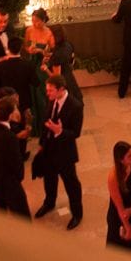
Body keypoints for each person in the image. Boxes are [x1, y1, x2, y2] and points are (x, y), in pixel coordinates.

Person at [34, 75, 84, 229]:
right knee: (49, 179)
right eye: (47, 90)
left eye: (50, 90)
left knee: (71, 184)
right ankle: (49, 203)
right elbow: (45, 123)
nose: (47, 93)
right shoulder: (52, 101)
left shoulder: (75, 106)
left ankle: (77, 213)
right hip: (49, 149)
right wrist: (42, 143)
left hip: (65, 153)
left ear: (61, 89)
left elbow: (76, 133)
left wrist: (60, 132)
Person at [0, 96, 30, 217]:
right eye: (15, 109)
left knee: (0, 213)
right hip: (9, 186)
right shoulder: (10, 138)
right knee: (23, 218)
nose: (17, 111)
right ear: (10, 115)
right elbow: (18, 167)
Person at [106, 141, 131, 253]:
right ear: (121, 160)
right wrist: (127, 227)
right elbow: (119, 207)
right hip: (118, 217)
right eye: (129, 155)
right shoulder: (113, 177)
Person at [23, 8, 54, 134]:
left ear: (43, 20)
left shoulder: (49, 33)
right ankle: (33, 125)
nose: (34, 24)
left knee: (40, 93)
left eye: (37, 21)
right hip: (30, 63)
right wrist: (28, 49)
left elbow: (52, 54)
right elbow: (24, 46)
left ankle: (44, 124)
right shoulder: (29, 30)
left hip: (41, 65)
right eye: (32, 21)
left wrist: (41, 51)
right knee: (31, 92)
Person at [46, 23, 83, 107]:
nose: (48, 38)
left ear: (56, 36)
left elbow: (56, 78)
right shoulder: (67, 45)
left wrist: (45, 69)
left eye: (51, 35)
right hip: (70, 79)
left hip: (63, 85)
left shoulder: (57, 55)